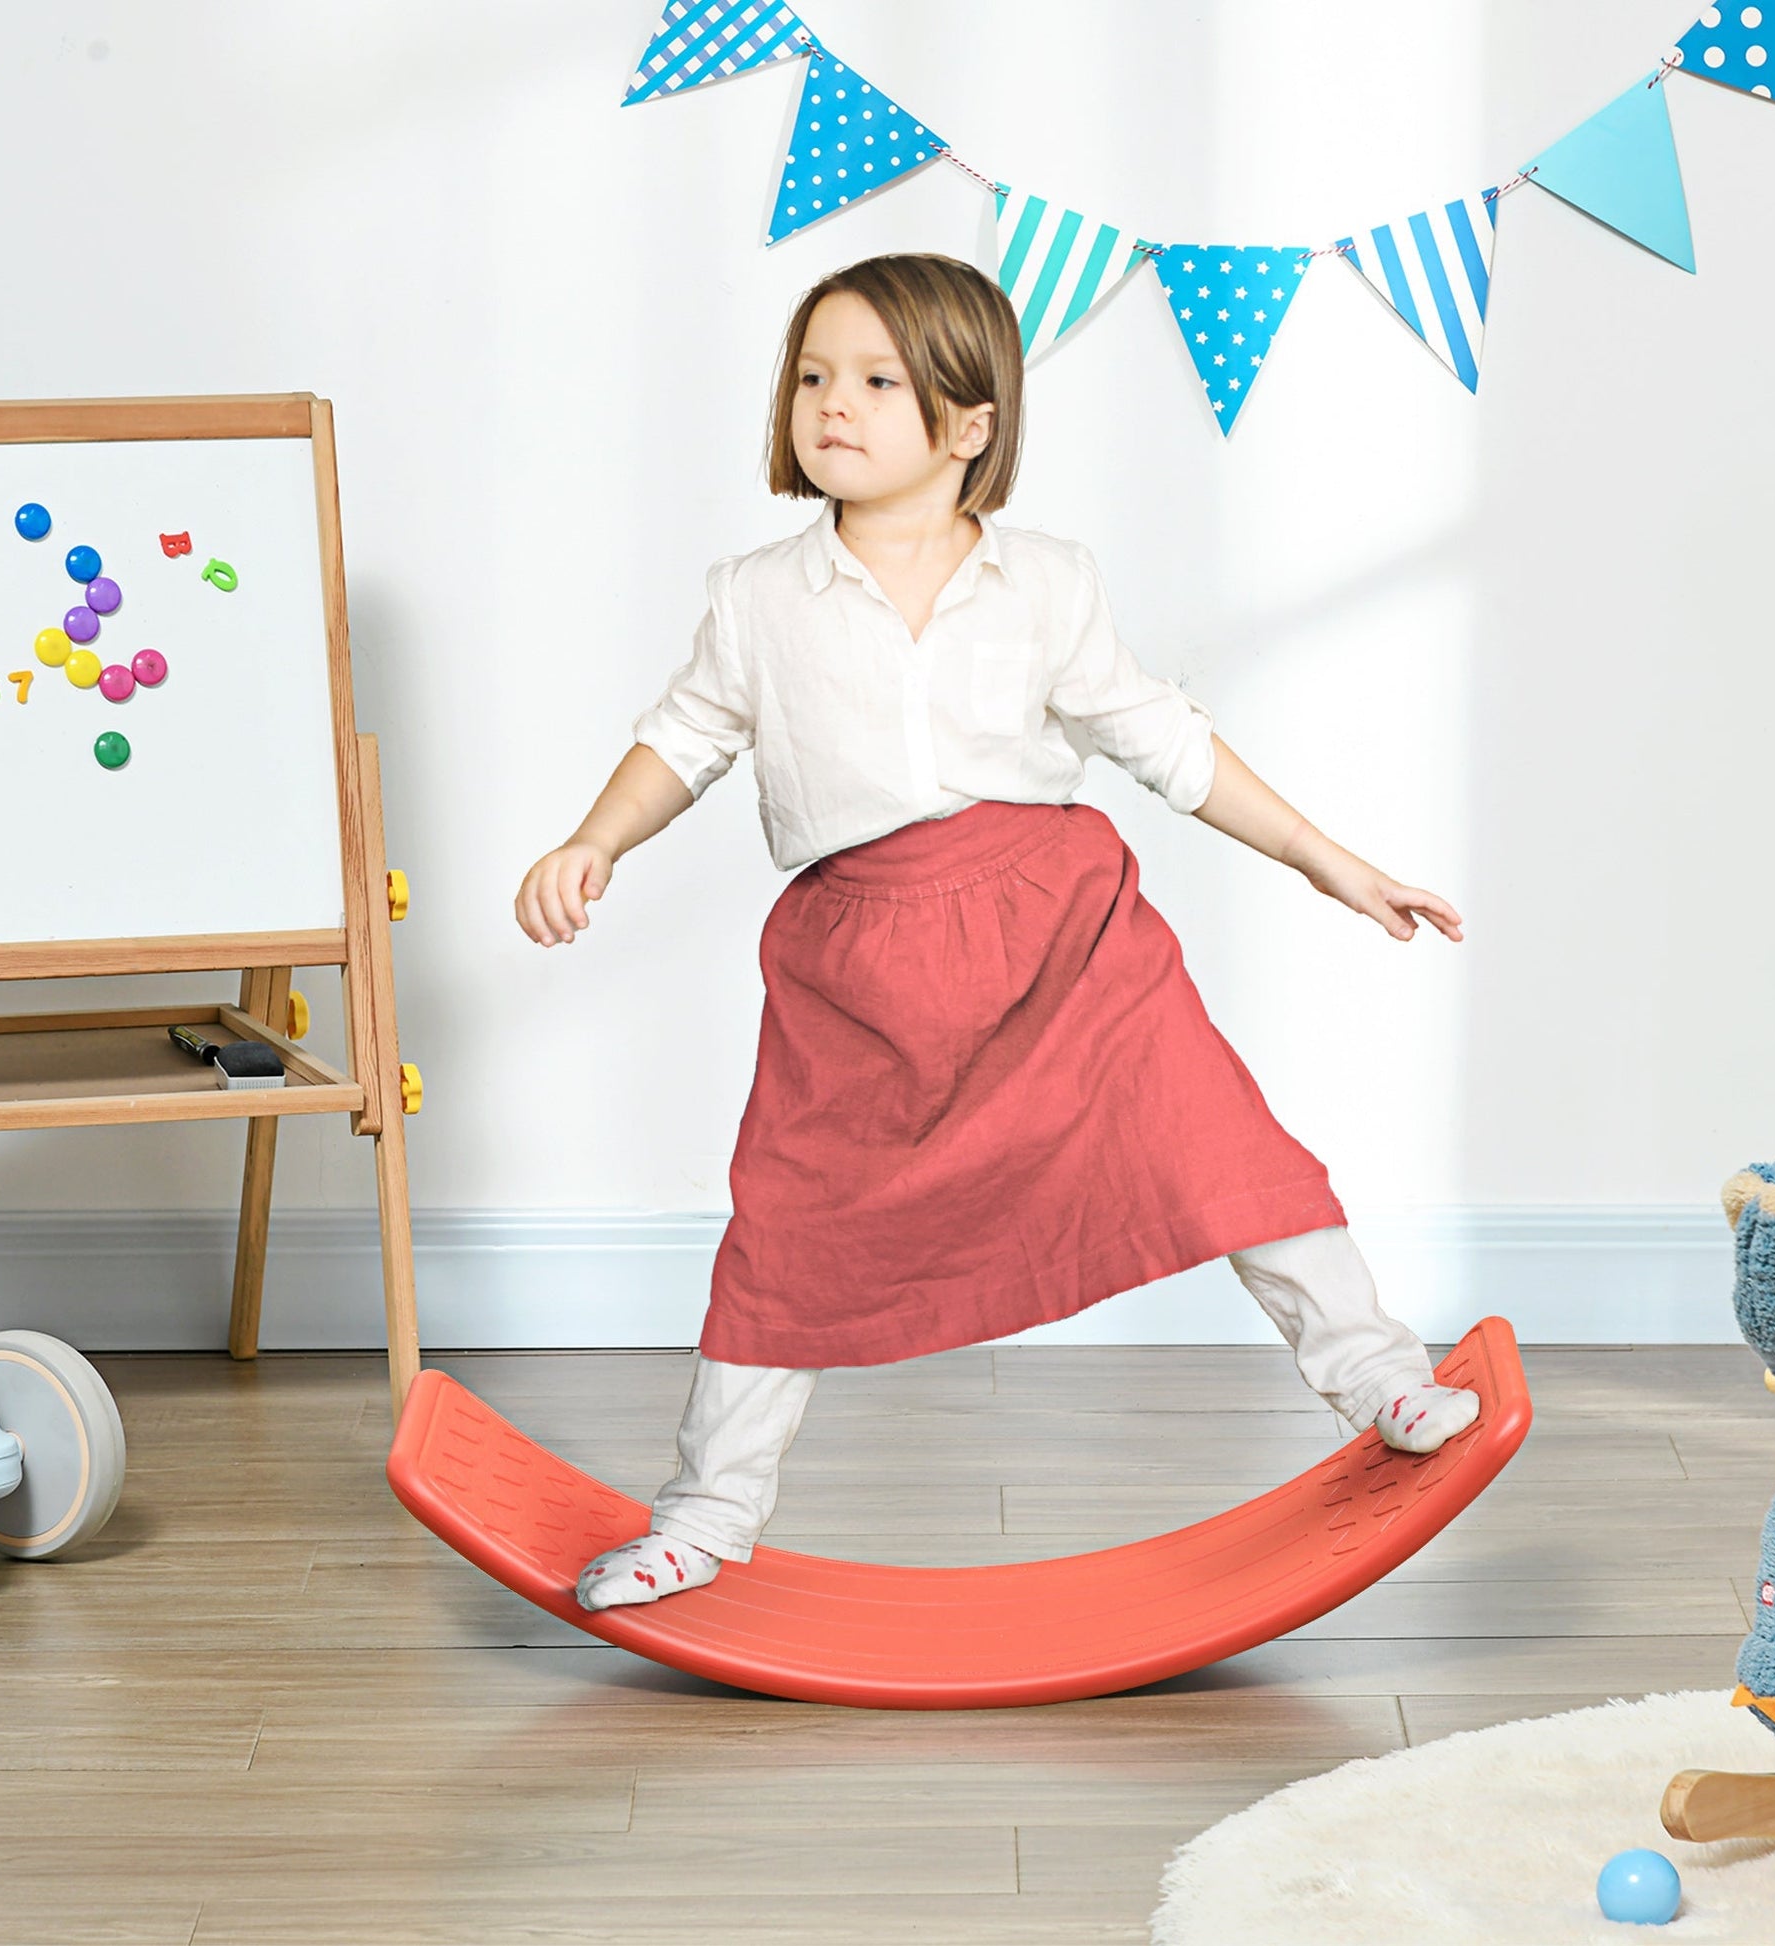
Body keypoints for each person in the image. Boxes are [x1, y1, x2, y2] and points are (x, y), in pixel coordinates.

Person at [512, 253, 1476, 1612]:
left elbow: (1161, 738)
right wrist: (592, 841)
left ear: (968, 424)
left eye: (875, 380)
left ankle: (1377, 1373)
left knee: (1211, 1137)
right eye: (812, 375)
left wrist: (1332, 862)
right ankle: (707, 1514)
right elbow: (682, 739)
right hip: (859, 966)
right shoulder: (757, 597)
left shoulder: (1046, 582)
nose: (831, 403)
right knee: (787, 1227)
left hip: (1058, 936)